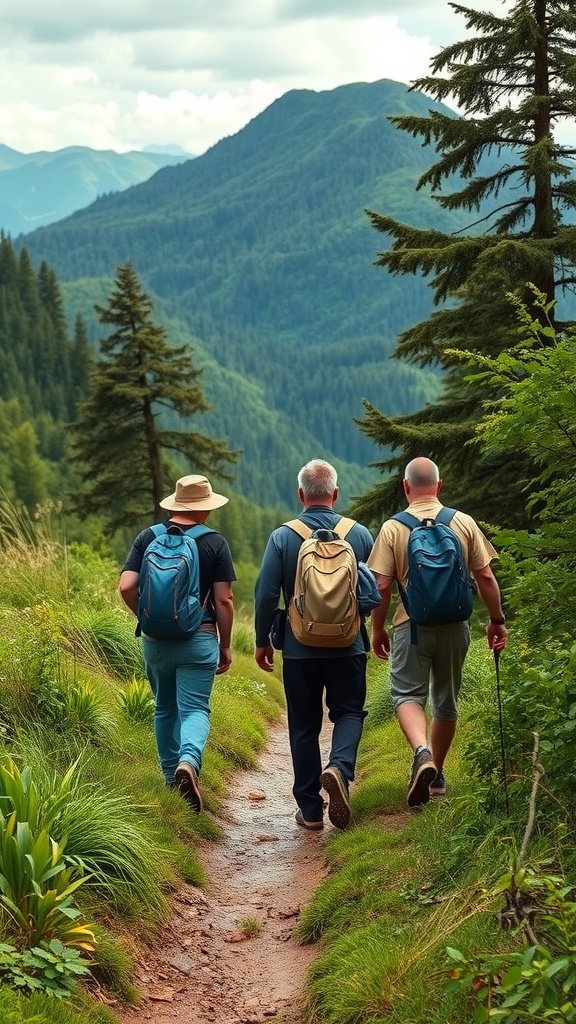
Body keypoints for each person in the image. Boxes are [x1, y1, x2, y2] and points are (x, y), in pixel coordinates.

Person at [368, 457, 508, 808]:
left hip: (411, 626)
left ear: (405, 487)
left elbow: (382, 585)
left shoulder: (393, 528)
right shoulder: (462, 522)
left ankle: (421, 753)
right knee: (445, 700)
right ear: (439, 486)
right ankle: (438, 774)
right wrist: (496, 620)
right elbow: (486, 577)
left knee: (406, 696)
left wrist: (377, 628)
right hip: (455, 626)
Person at [254, 459, 374, 831]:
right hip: (348, 645)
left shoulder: (283, 536)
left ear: (301, 494)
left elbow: (265, 594)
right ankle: (338, 767)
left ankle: (309, 810)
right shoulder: (359, 534)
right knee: (350, 712)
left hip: (299, 647)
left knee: (304, 725)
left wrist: (262, 641)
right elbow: (372, 593)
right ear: (335, 494)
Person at [119, 474, 235, 811]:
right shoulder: (215, 543)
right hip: (198, 637)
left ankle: (171, 778)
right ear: (204, 510)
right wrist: (225, 645)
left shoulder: (148, 537)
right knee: (195, 708)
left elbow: (127, 586)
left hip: (155, 641)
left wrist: (146, 617)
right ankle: (189, 761)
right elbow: (224, 601)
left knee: (164, 707)